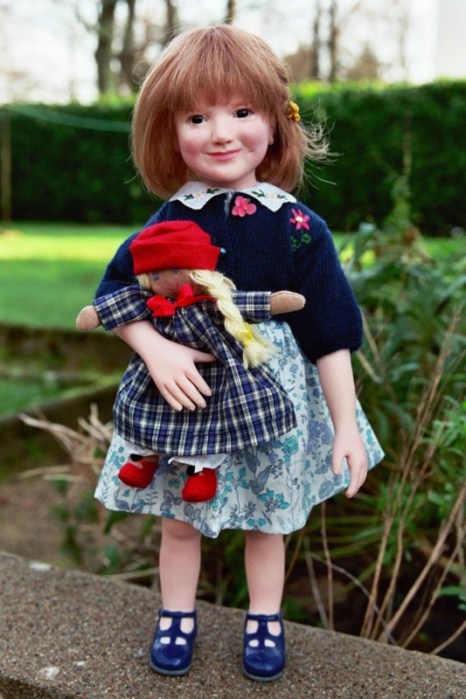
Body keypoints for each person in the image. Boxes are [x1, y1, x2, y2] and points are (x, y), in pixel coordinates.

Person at [92, 24, 384, 682]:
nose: (221, 133)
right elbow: (114, 294)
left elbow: (331, 332)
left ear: (277, 123)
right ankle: (176, 613)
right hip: (187, 399)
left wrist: (346, 423)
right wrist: (153, 348)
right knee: (178, 518)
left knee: (267, 521)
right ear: (170, 132)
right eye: (197, 117)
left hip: (267, 400)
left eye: (242, 112)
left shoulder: (298, 227)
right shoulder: (170, 221)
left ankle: (264, 618)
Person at [77, 219, 305, 502]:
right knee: (144, 413)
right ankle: (143, 459)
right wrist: (94, 315)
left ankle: (201, 471)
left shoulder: (214, 303)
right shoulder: (147, 300)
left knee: (212, 422)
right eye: (156, 275)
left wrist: (275, 302)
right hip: (158, 379)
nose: (167, 281)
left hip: (214, 382)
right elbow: (111, 306)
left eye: (175, 271)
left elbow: (245, 304)